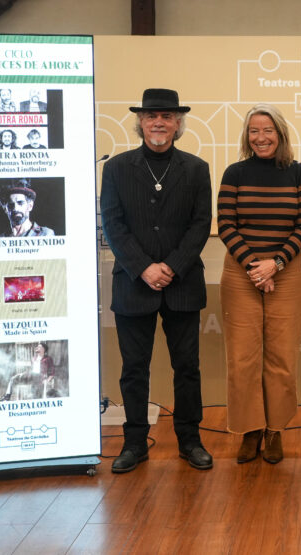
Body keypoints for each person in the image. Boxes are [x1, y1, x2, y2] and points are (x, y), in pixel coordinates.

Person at [100, 88, 213, 472]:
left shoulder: (197, 169)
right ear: (141, 123)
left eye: (167, 116)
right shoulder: (115, 168)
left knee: (188, 368)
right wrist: (144, 267)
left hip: (183, 284)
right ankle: (134, 443)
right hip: (133, 282)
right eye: (152, 116)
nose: (159, 122)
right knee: (134, 369)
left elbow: (200, 225)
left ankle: (190, 440)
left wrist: (173, 266)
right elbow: (113, 224)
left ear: (178, 123)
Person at [218, 104, 301, 464]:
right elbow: (226, 223)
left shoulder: (298, 173)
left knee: (282, 357)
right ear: (247, 136)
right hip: (241, 273)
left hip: (285, 271)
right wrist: (254, 267)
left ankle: (275, 430)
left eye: (268, 130)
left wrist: (274, 264)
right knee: (242, 359)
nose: (261, 137)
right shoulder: (234, 173)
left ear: (281, 133)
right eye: (254, 131)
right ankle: (250, 430)